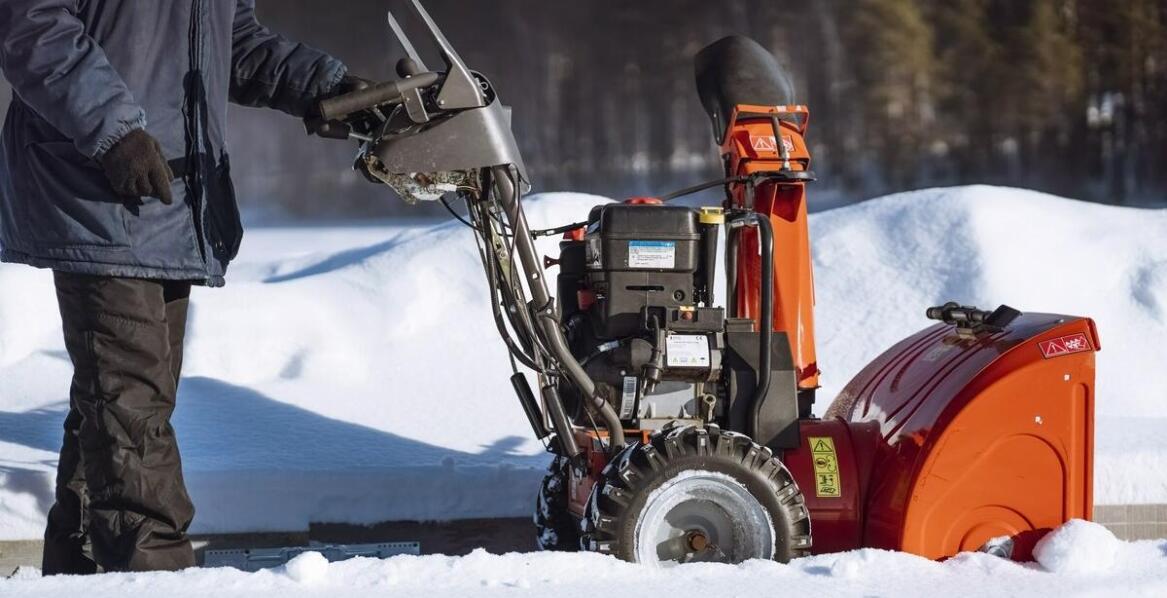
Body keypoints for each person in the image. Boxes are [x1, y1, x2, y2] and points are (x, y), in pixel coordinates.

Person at [0, 0, 362, 573]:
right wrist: (113, 130)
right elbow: (32, 24)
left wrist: (328, 86)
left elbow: (233, 39)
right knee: (129, 407)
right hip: (93, 186)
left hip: (169, 196)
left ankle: (81, 576)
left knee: (120, 403)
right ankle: (156, 580)